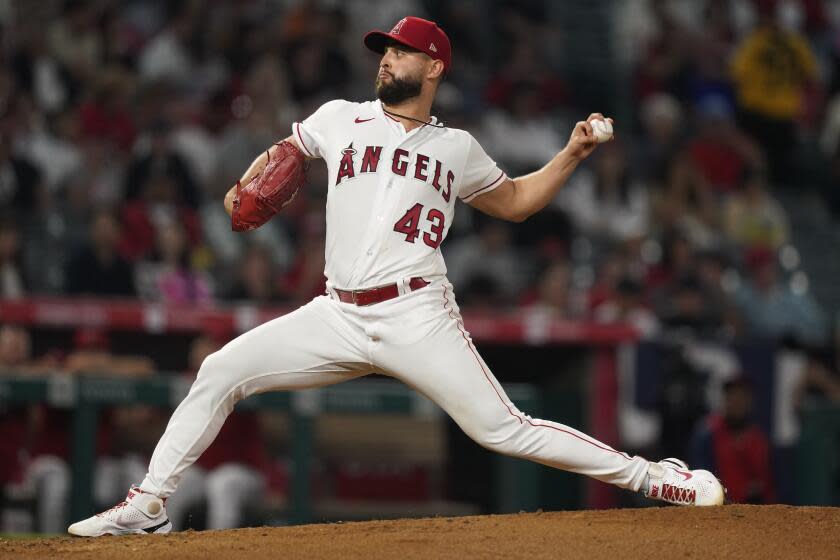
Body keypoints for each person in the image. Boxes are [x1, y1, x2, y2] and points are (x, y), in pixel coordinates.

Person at [68, 16, 724, 537]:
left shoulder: (457, 148)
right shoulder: (338, 116)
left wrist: (573, 152)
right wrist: (248, 183)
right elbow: (277, 163)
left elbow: (518, 202)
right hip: (337, 314)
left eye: (402, 52)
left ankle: (652, 478)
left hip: (417, 314)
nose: (387, 59)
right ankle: (149, 504)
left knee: (504, 429)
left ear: (434, 65)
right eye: (384, 51)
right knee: (219, 371)